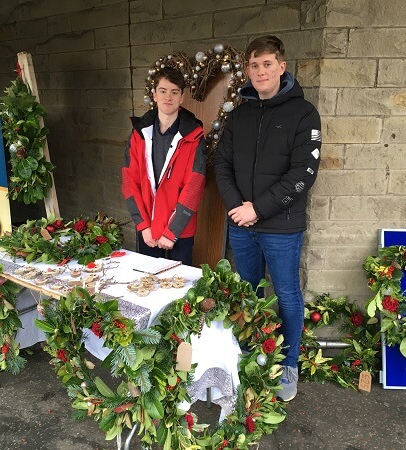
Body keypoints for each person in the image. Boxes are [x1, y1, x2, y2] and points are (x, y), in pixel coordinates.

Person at [215, 35, 321, 402]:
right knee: (248, 293)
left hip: (280, 226)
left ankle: (288, 363)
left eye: (267, 64)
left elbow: (303, 173)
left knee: (287, 294)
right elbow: (222, 164)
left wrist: (257, 209)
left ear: (281, 67)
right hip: (241, 224)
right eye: (254, 65)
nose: (260, 71)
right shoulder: (239, 114)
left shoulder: (303, 113)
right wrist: (236, 208)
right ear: (247, 70)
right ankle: (251, 356)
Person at [122, 67, 206, 266]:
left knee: (180, 289)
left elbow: (194, 186)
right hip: (148, 228)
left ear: (182, 97)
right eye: (163, 91)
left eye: (174, 92)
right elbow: (129, 182)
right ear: (154, 95)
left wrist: (172, 231)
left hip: (179, 230)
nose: (168, 97)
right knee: (148, 286)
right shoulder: (138, 134)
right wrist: (143, 226)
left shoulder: (194, 136)